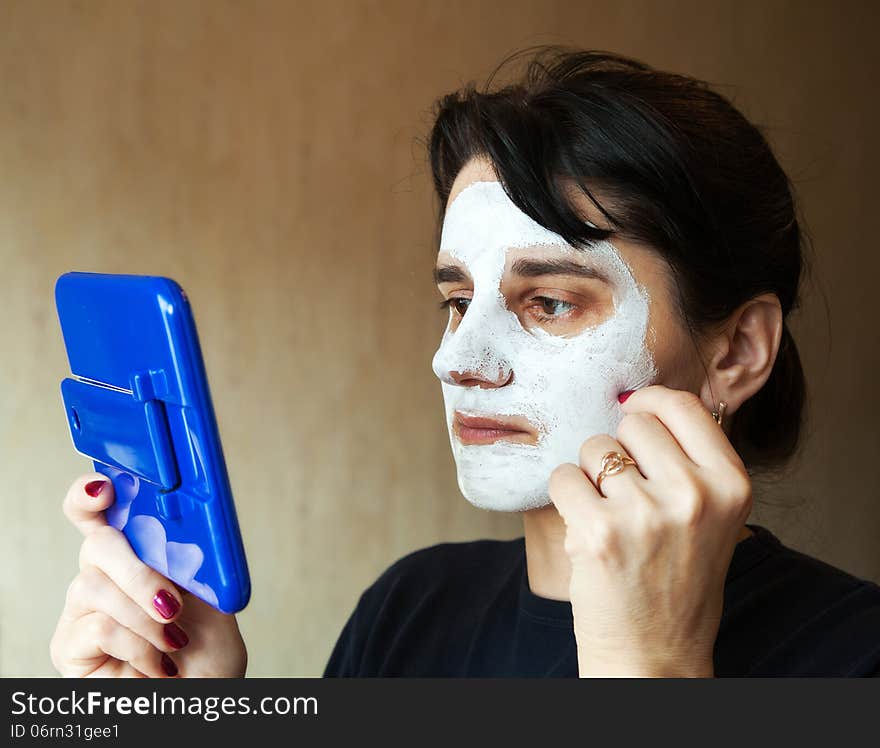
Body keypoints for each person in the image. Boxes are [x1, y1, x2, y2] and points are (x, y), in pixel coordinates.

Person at [50, 47, 880, 678]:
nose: (456, 360)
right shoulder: (410, 608)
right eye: (457, 301)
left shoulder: (853, 652)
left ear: (735, 351)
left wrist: (651, 674)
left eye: (547, 301)